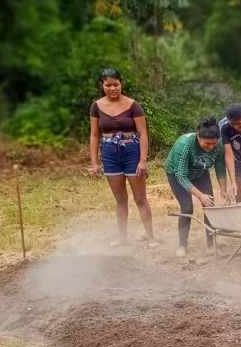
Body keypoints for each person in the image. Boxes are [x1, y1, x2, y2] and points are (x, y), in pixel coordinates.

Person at [89, 67, 156, 247]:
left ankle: (150, 237)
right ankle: (122, 238)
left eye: (116, 84)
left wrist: (143, 160)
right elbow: (94, 135)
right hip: (110, 154)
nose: (112, 88)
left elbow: (143, 134)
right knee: (120, 199)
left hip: (132, 152)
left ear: (121, 83)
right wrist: (95, 162)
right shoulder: (96, 106)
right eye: (108, 85)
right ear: (102, 85)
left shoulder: (133, 105)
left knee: (140, 198)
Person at [164, 117, 228, 257]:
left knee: (209, 205)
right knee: (187, 208)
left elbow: (220, 168)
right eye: (207, 144)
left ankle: (211, 244)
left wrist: (223, 189)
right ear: (198, 136)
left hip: (200, 172)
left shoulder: (218, 146)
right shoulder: (184, 144)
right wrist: (200, 195)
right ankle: (182, 245)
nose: (211, 147)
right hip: (177, 174)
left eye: (213, 144)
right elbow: (181, 176)